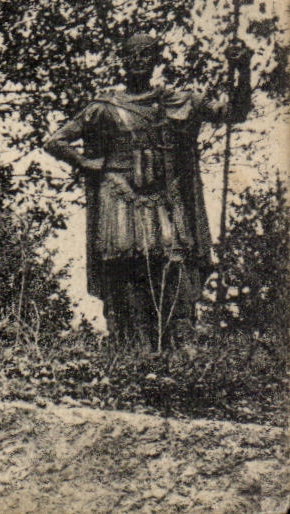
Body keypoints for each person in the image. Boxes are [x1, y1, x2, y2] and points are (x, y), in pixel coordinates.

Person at [41, 32, 252, 351]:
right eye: (131, 56)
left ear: (155, 61)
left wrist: (242, 69)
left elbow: (234, 113)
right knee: (124, 267)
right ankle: (131, 347)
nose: (138, 61)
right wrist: (86, 163)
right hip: (119, 193)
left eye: (145, 55)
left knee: (175, 263)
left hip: (166, 195)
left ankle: (178, 347)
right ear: (122, 63)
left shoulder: (179, 101)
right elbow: (55, 140)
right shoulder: (104, 107)